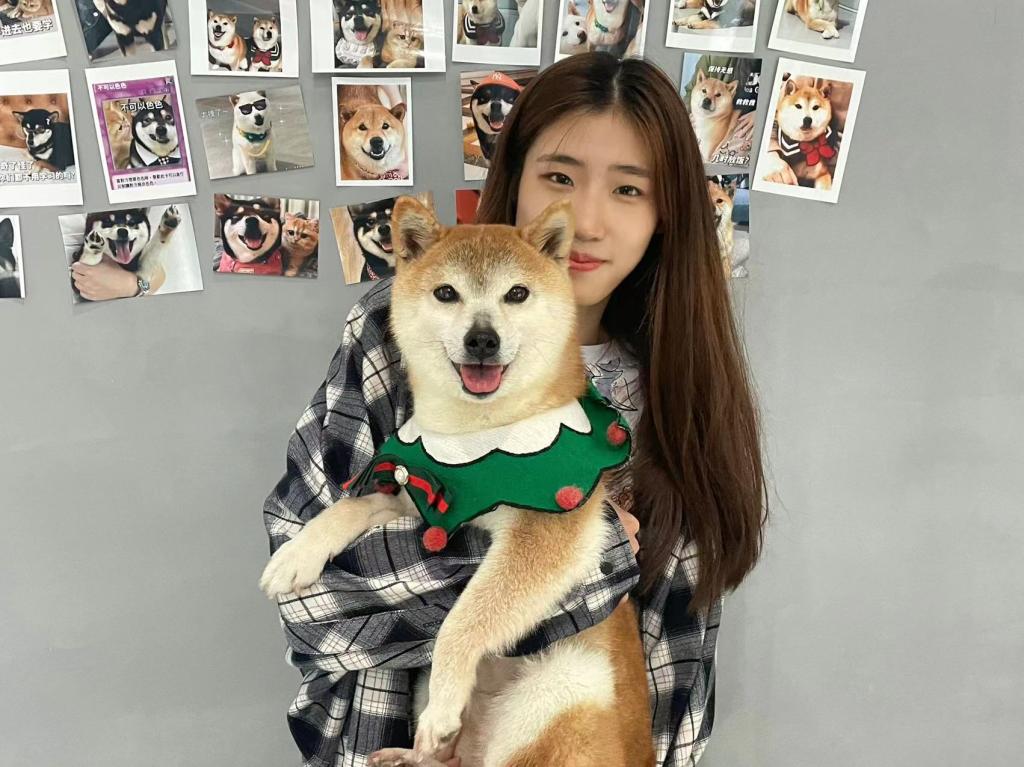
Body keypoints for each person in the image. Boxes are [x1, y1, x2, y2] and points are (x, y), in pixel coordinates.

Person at [263, 52, 768, 766]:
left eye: (629, 190)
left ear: (666, 213)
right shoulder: (393, 334)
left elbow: (678, 659)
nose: (586, 221)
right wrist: (588, 560)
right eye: (560, 178)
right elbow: (311, 603)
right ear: (516, 174)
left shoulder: (680, 380)